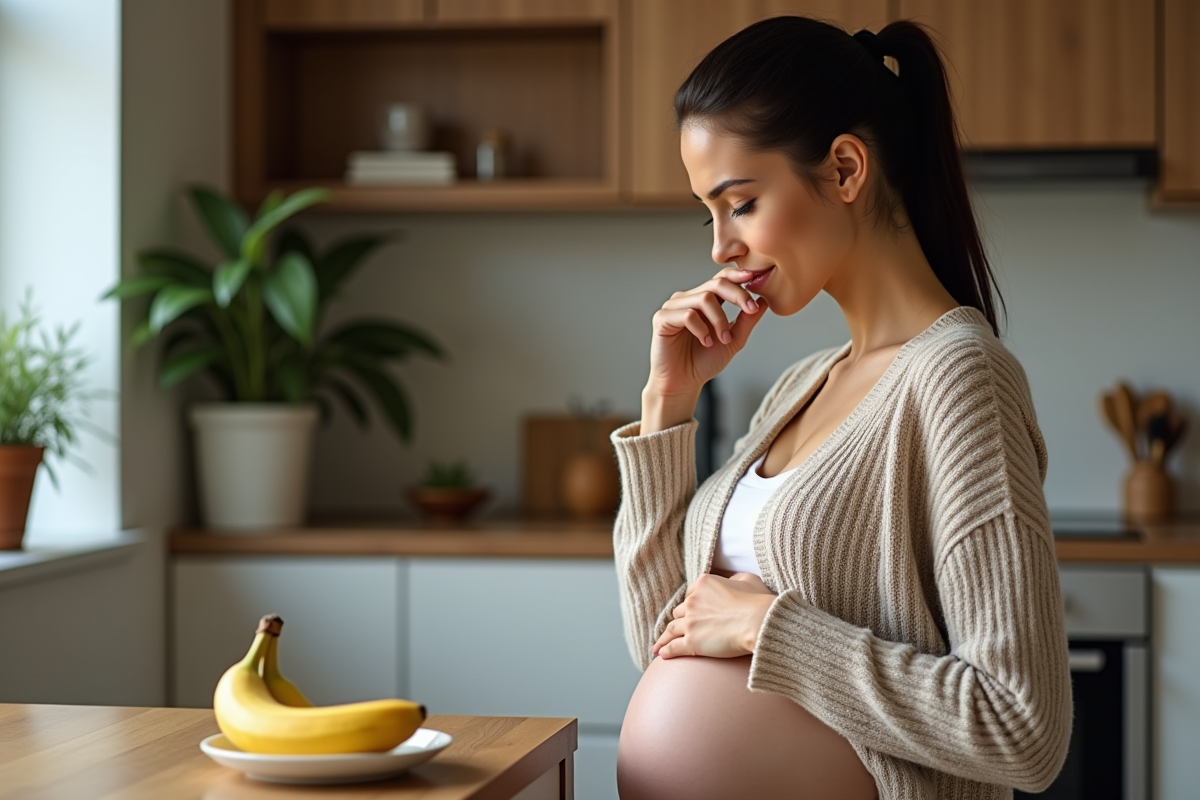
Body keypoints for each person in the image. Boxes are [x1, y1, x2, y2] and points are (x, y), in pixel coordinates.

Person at [610, 15, 1072, 800]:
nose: (720, 247)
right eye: (708, 213)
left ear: (846, 169)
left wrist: (769, 628)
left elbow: (1022, 729)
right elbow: (661, 641)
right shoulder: (802, 385)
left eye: (741, 203)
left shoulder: (958, 377)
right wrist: (668, 404)